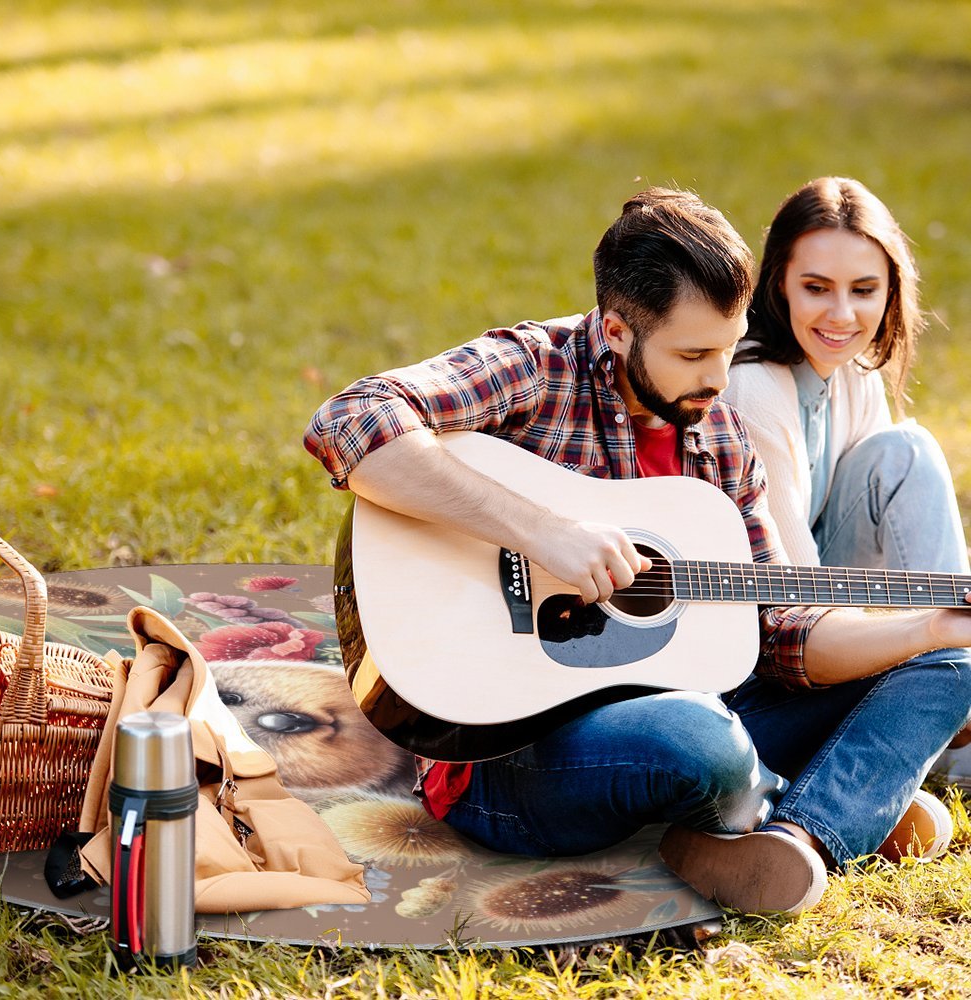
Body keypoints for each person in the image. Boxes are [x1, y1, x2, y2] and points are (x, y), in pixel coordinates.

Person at [304, 187, 971, 916]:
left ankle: (801, 837)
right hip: (508, 756)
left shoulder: (719, 435)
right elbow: (351, 419)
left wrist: (927, 628)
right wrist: (540, 531)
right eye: (693, 354)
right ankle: (833, 796)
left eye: (728, 346)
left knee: (951, 665)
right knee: (699, 741)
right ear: (617, 330)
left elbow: (780, 629)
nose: (719, 380)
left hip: (697, 709)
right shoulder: (535, 367)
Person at [724, 176, 971, 791]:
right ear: (778, 281)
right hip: (767, 646)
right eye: (816, 288)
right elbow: (795, 601)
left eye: (864, 290)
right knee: (908, 451)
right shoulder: (754, 385)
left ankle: (949, 695)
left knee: (902, 451)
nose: (842, 315)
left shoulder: (853, 371)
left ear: (891, 291)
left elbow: (892, 535)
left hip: (833, 608)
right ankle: (947, 710)